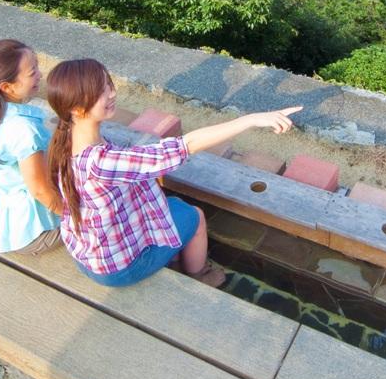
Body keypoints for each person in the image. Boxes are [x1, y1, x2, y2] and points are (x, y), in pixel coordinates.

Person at [44, 58, 300, 288]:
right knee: (195, 217)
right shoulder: (101, 162)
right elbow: (183, 146)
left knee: (173, 205)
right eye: (101, 90)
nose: (112, 92)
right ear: (76, 108)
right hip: (118, 268)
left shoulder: (67, 137)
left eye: (108, 84)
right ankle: (198, 276)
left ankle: (176, 256)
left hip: (87, 253)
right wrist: (250, 120)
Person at [0, 39, 63, 255]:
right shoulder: (23, 130)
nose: (40, 75)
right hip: (34, 233)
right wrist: (76, 217)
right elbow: (39, 190)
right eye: (32, 72)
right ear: (7, 86)